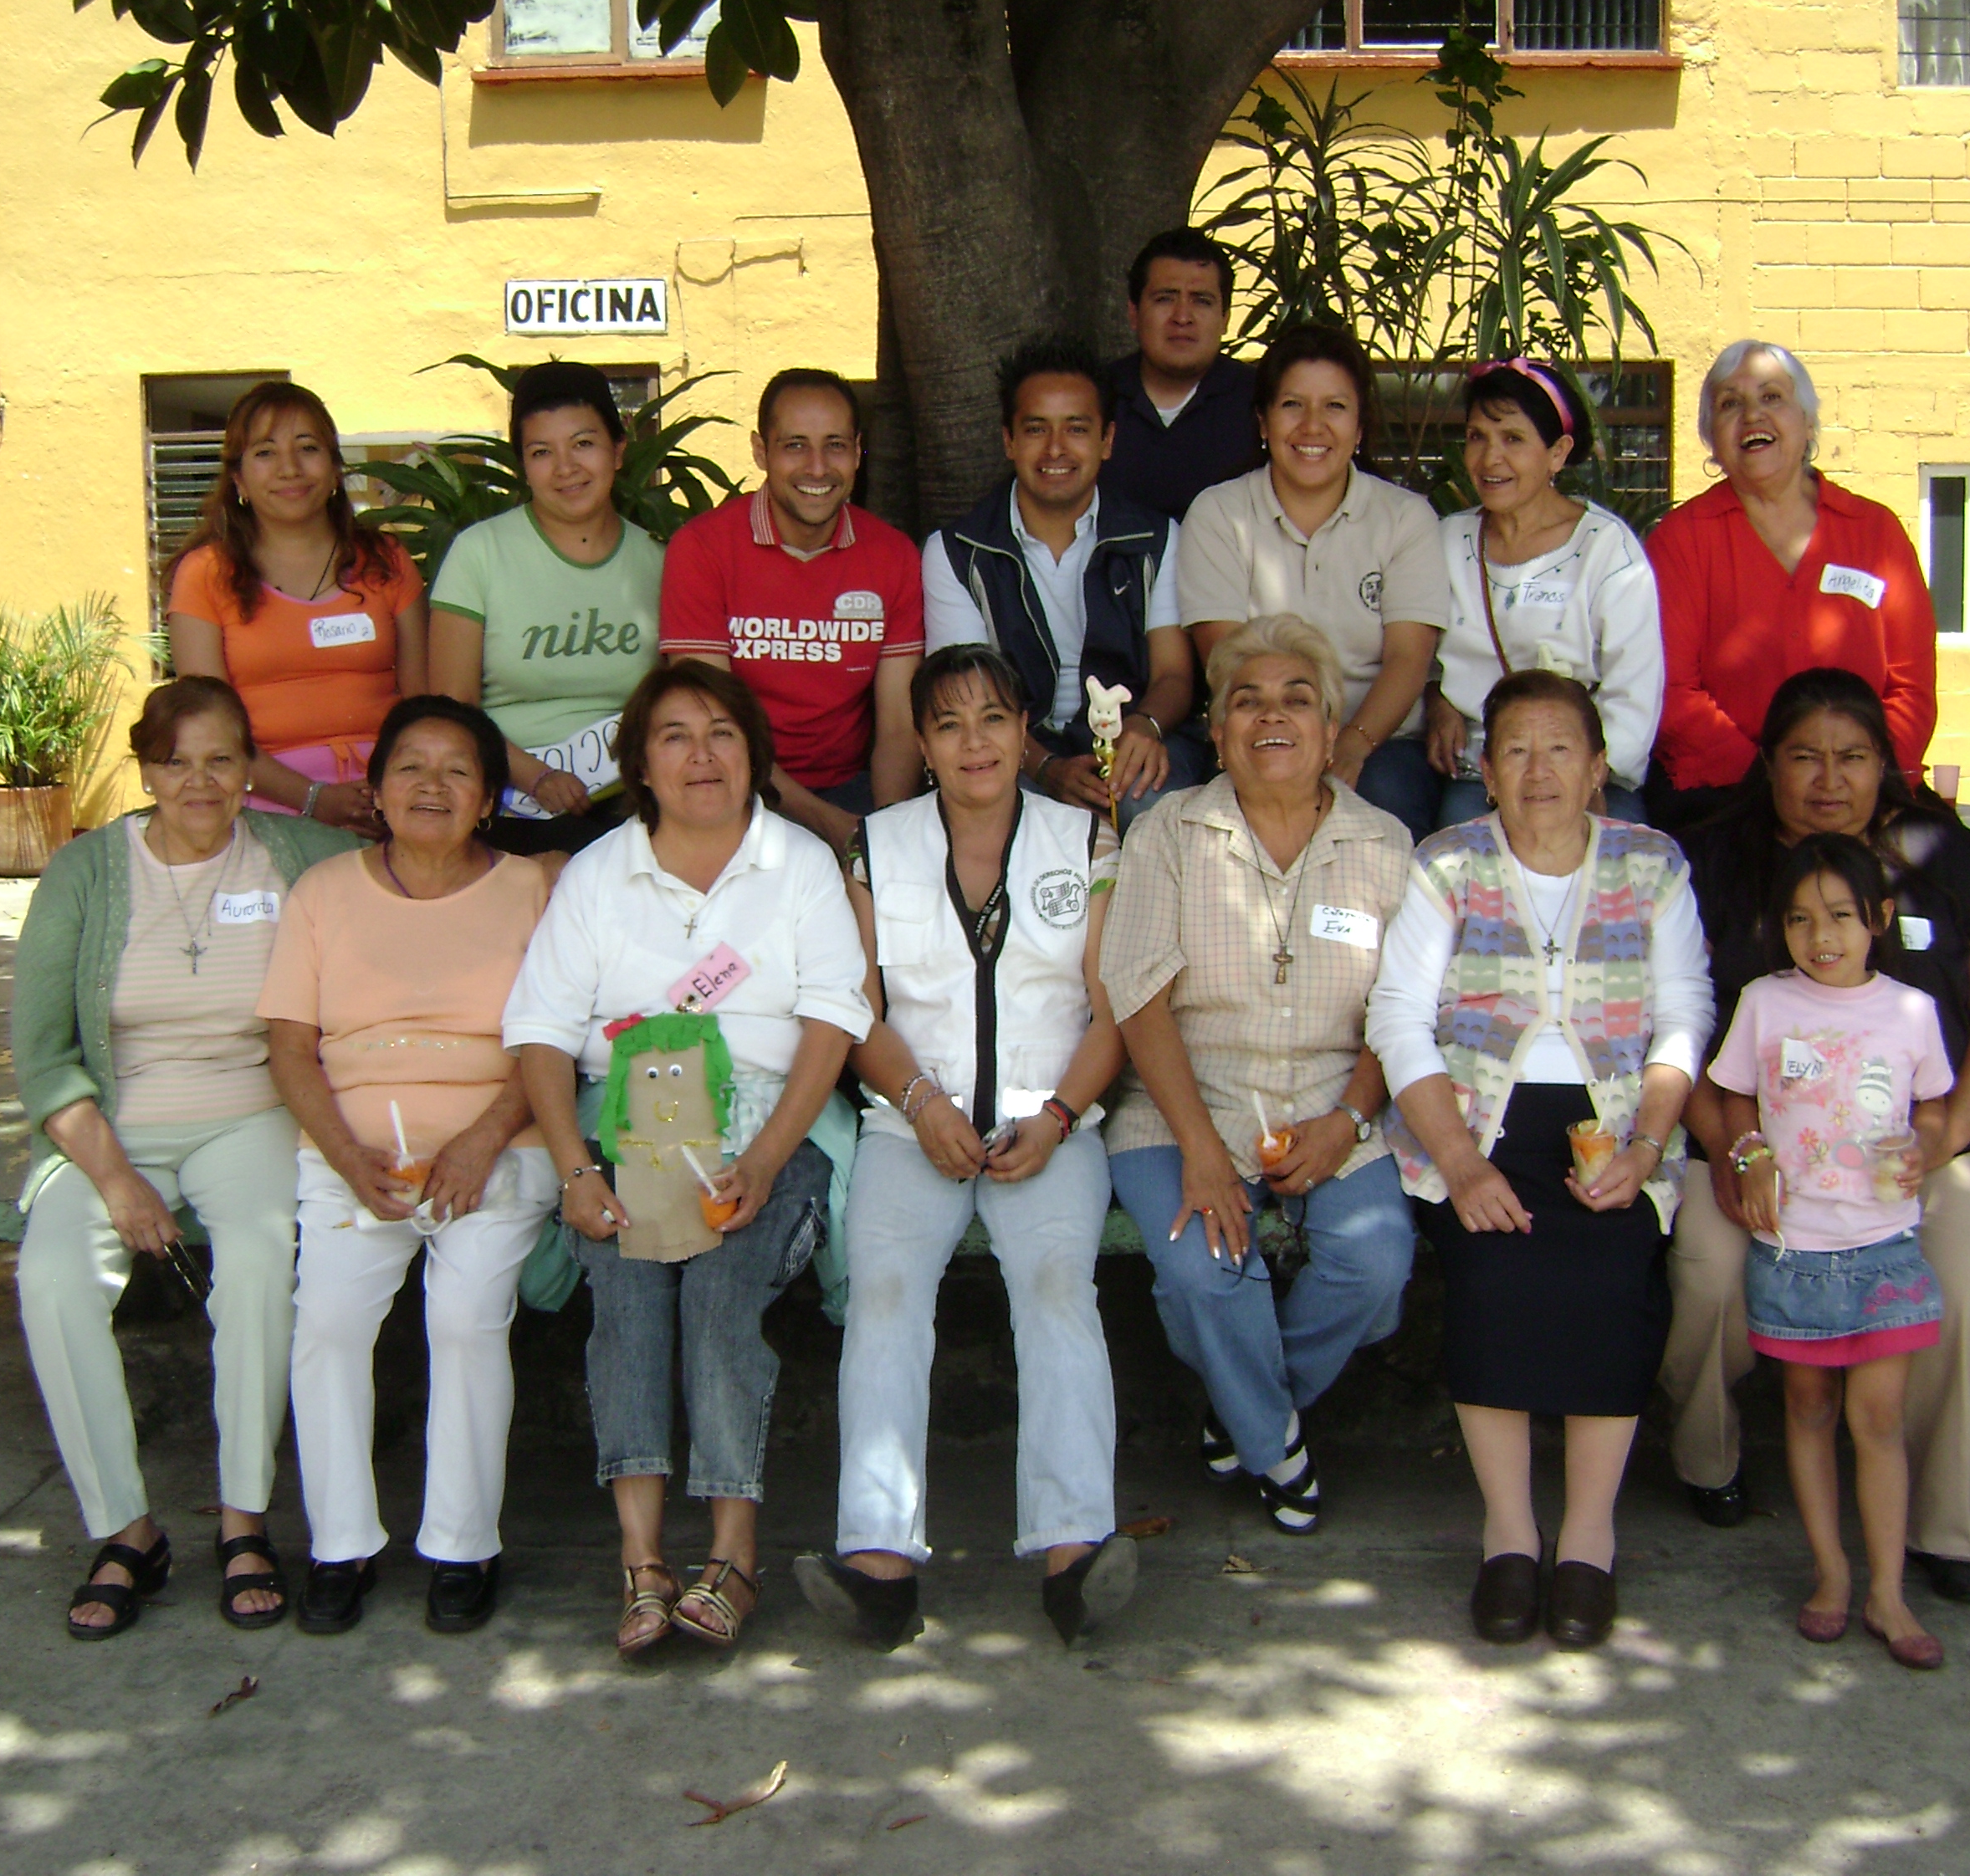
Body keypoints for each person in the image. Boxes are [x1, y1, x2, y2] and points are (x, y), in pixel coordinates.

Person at [504, 659, 872, 1655]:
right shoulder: (599, 874)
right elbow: (540, 1033)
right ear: (640, 765)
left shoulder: (798, 864)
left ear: (755, 756)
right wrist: (579, 1171)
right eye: (675, 736)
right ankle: (643, 1562)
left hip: (769, 1124)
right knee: (627, 1291)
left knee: (721, 1283)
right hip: (628, 1128)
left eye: (722, 734)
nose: (701, 756)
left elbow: (833, 1021)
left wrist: (765, 1159)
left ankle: (732, 1554)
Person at [1663, 669, 1970, 1608]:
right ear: (1769, 764)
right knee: (1709, 1264)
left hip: (1927, 1136)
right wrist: (1735, 1150)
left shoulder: (1945, 855)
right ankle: (1708, 1457)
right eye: (1805, 757)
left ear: (1886, 764)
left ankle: (1945, 1524)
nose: (1830, 780)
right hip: (1747, 1133)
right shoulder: (1714, 862)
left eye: (1854, 757)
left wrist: (1948, 1134)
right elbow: (1675, 1028)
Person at [796, 645, 1134, 1651]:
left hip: (1051, 1122)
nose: (974, 742)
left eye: (993, 718)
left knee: (1059, 1291)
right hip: (912, 1123)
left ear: (1027, 732)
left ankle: (1075, 1553)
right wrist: (918, 1100)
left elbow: (1114, 1010)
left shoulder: (1087, 838)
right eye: (948, 724)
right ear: (922, 744)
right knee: (885, 1297)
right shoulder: (875, 845)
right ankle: (878, 1562)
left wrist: (1060, 1116)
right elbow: (856, 1009)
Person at [10, 677, 361, 1640]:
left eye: (220, 760)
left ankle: (244, 1518)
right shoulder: (86, 871)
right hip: (111, 1124)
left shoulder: (298, 855)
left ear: (250, 768)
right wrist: (116, 1181)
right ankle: (126, 1528)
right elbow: (43, 1059)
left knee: (257, 1263)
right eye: (175, 762)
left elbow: (415, 871)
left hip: (250, 1113)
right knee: (52, 1280)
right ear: (145, 771)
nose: (199, 782)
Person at [1368, 669, 1710, 1651]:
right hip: (1477, 1122)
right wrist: (1460, 1162)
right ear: (1484, 771)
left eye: (1561, 748)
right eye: (1514, 749)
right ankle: (1510, 1535)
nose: (1538, 770)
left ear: (1599, 769)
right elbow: (1399, 1017)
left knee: (1614, 1273)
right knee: (1491, 1277)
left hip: (1618, 1126)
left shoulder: (1652, 865)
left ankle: (1589, 1537)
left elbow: (1684, 1014)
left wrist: (1645, 1146)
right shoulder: (1448, 863)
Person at [1102, 614, 1415, 1536]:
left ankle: (1242, 1409)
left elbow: (1401, 1014)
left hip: (1330, 1097)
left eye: (1296, 700)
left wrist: (1350, 1120)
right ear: (1217, 728)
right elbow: (1138, 999)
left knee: (1377, 1263)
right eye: (1247, 701)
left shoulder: (1384, 845)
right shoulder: (1169, 833)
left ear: (1331, 728)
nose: (1271, 716)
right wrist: (1200, 1150)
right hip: (1180, 1104)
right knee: (1201, 1276)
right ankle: (1276, 1443)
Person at [261, 697, 557, 1638]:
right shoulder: (322, 893)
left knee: (465, 1317)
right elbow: (289, 1048)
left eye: (458, 770)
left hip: (498, 1147)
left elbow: (555, 1043)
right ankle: (340, 1544)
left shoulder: (533, 890)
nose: (433, 786)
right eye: (411, 768)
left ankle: (464, 1546)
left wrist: (484, 1137)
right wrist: (344, 1156)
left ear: (490, 798)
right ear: (378, 792)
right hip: (356, 1157)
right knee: (328, 1321)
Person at [1712, 834, 1955, 1670]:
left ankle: (1889, 1591)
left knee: (1878, 1419)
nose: (1822, 937)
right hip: (1794, 1248)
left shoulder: (1911, 1012)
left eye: (1842, 917)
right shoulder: (1765, 1002)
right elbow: (1733, 1093)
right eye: (1801, 919)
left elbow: (1935, 1107)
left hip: (1883, 1246)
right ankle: (1832, 1573)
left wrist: (1926, 1147)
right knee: (1808, 1410)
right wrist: (1750, 1154)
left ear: (1879, 918)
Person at [1644, 341, 1936, 829]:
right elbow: (1672, 692)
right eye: (1730, 403)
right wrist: (1775, 785)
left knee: (1960, 864)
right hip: (1728, 797)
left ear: (1807, 422)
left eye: (1772, 397)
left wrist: (1863, 782)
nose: (1752, 415)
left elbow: (1912, 689)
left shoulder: (1875, 531)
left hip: (1870, 798)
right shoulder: (1682, 540)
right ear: (1711, 437)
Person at [1180, 325, 1452, 841]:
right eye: (1292, 405)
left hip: (1378, 741)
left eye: (1335, 407)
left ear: (1360, 426)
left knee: (1385, 797)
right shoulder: (1219, 514)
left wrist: (1349, 745)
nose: (1312, 425)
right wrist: (1295, 746)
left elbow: (1408, 659)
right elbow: (1227, 660)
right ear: (1263, 421)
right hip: (1258, 729)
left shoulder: (1405, 518)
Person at [924, 340, 1202, 823]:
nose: (1055, 449)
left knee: (1147, 802)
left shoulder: (1154, 539)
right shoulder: (958, 550)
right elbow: (966, 695)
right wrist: (1045, 766)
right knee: (999, 808)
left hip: (1132, 734)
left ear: (1107, 440)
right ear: (1009, 441)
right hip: (1015, 748)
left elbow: (1173, 675)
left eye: (1077, 428)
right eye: (1036, 429)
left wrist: (1146, 726)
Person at [659, 367, 925, 858]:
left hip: (852, 787)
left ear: (858, 451)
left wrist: (886, 834)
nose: (818, 468)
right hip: (733, 789)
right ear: (761, 451)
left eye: (835, 446)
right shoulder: (702, 549)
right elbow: (711, 723)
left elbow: (897, 726)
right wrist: (827, 824)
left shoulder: (894, 556)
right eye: (795, 446)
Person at [166, 380, 427, 836]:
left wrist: (392, 793)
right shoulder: (205, 574)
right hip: (265, 814)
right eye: (265, 452)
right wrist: (314, 799)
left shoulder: (387, 560)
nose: (289, 469)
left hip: (392, 804)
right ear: (239, 479)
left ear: (334, 469)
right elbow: (209, 732)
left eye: (307, 448)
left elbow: (426, 705)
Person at [429, 361, 666, 856]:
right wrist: (536, 777)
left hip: (631, 804)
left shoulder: (660, 560)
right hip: (505, 801)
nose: (565, 468)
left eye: (583, 444)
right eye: (542, 452)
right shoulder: (479, 553)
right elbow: (454, 708)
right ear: (522, 465)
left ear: (618, 450)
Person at [1428, 360, 1660, 828]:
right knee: (1464, 853)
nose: (1490, 459)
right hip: (1483, 772)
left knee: (1609, 860)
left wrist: (1590, 778)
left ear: (1558, 453)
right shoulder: (1446, 541)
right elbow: (1417, 648)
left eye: (1513, 439)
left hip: (1583, 774)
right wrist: (1436, 699)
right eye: (1477, 437)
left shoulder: (1605, 549)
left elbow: (1634, 691)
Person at [1106, 227, 1260, 521]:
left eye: (1201, 300)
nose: (1182, 317)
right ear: (1134, 313)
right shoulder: (1093, 399)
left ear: (1225, 318)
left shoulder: (1261, 402)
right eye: (1165, 299)